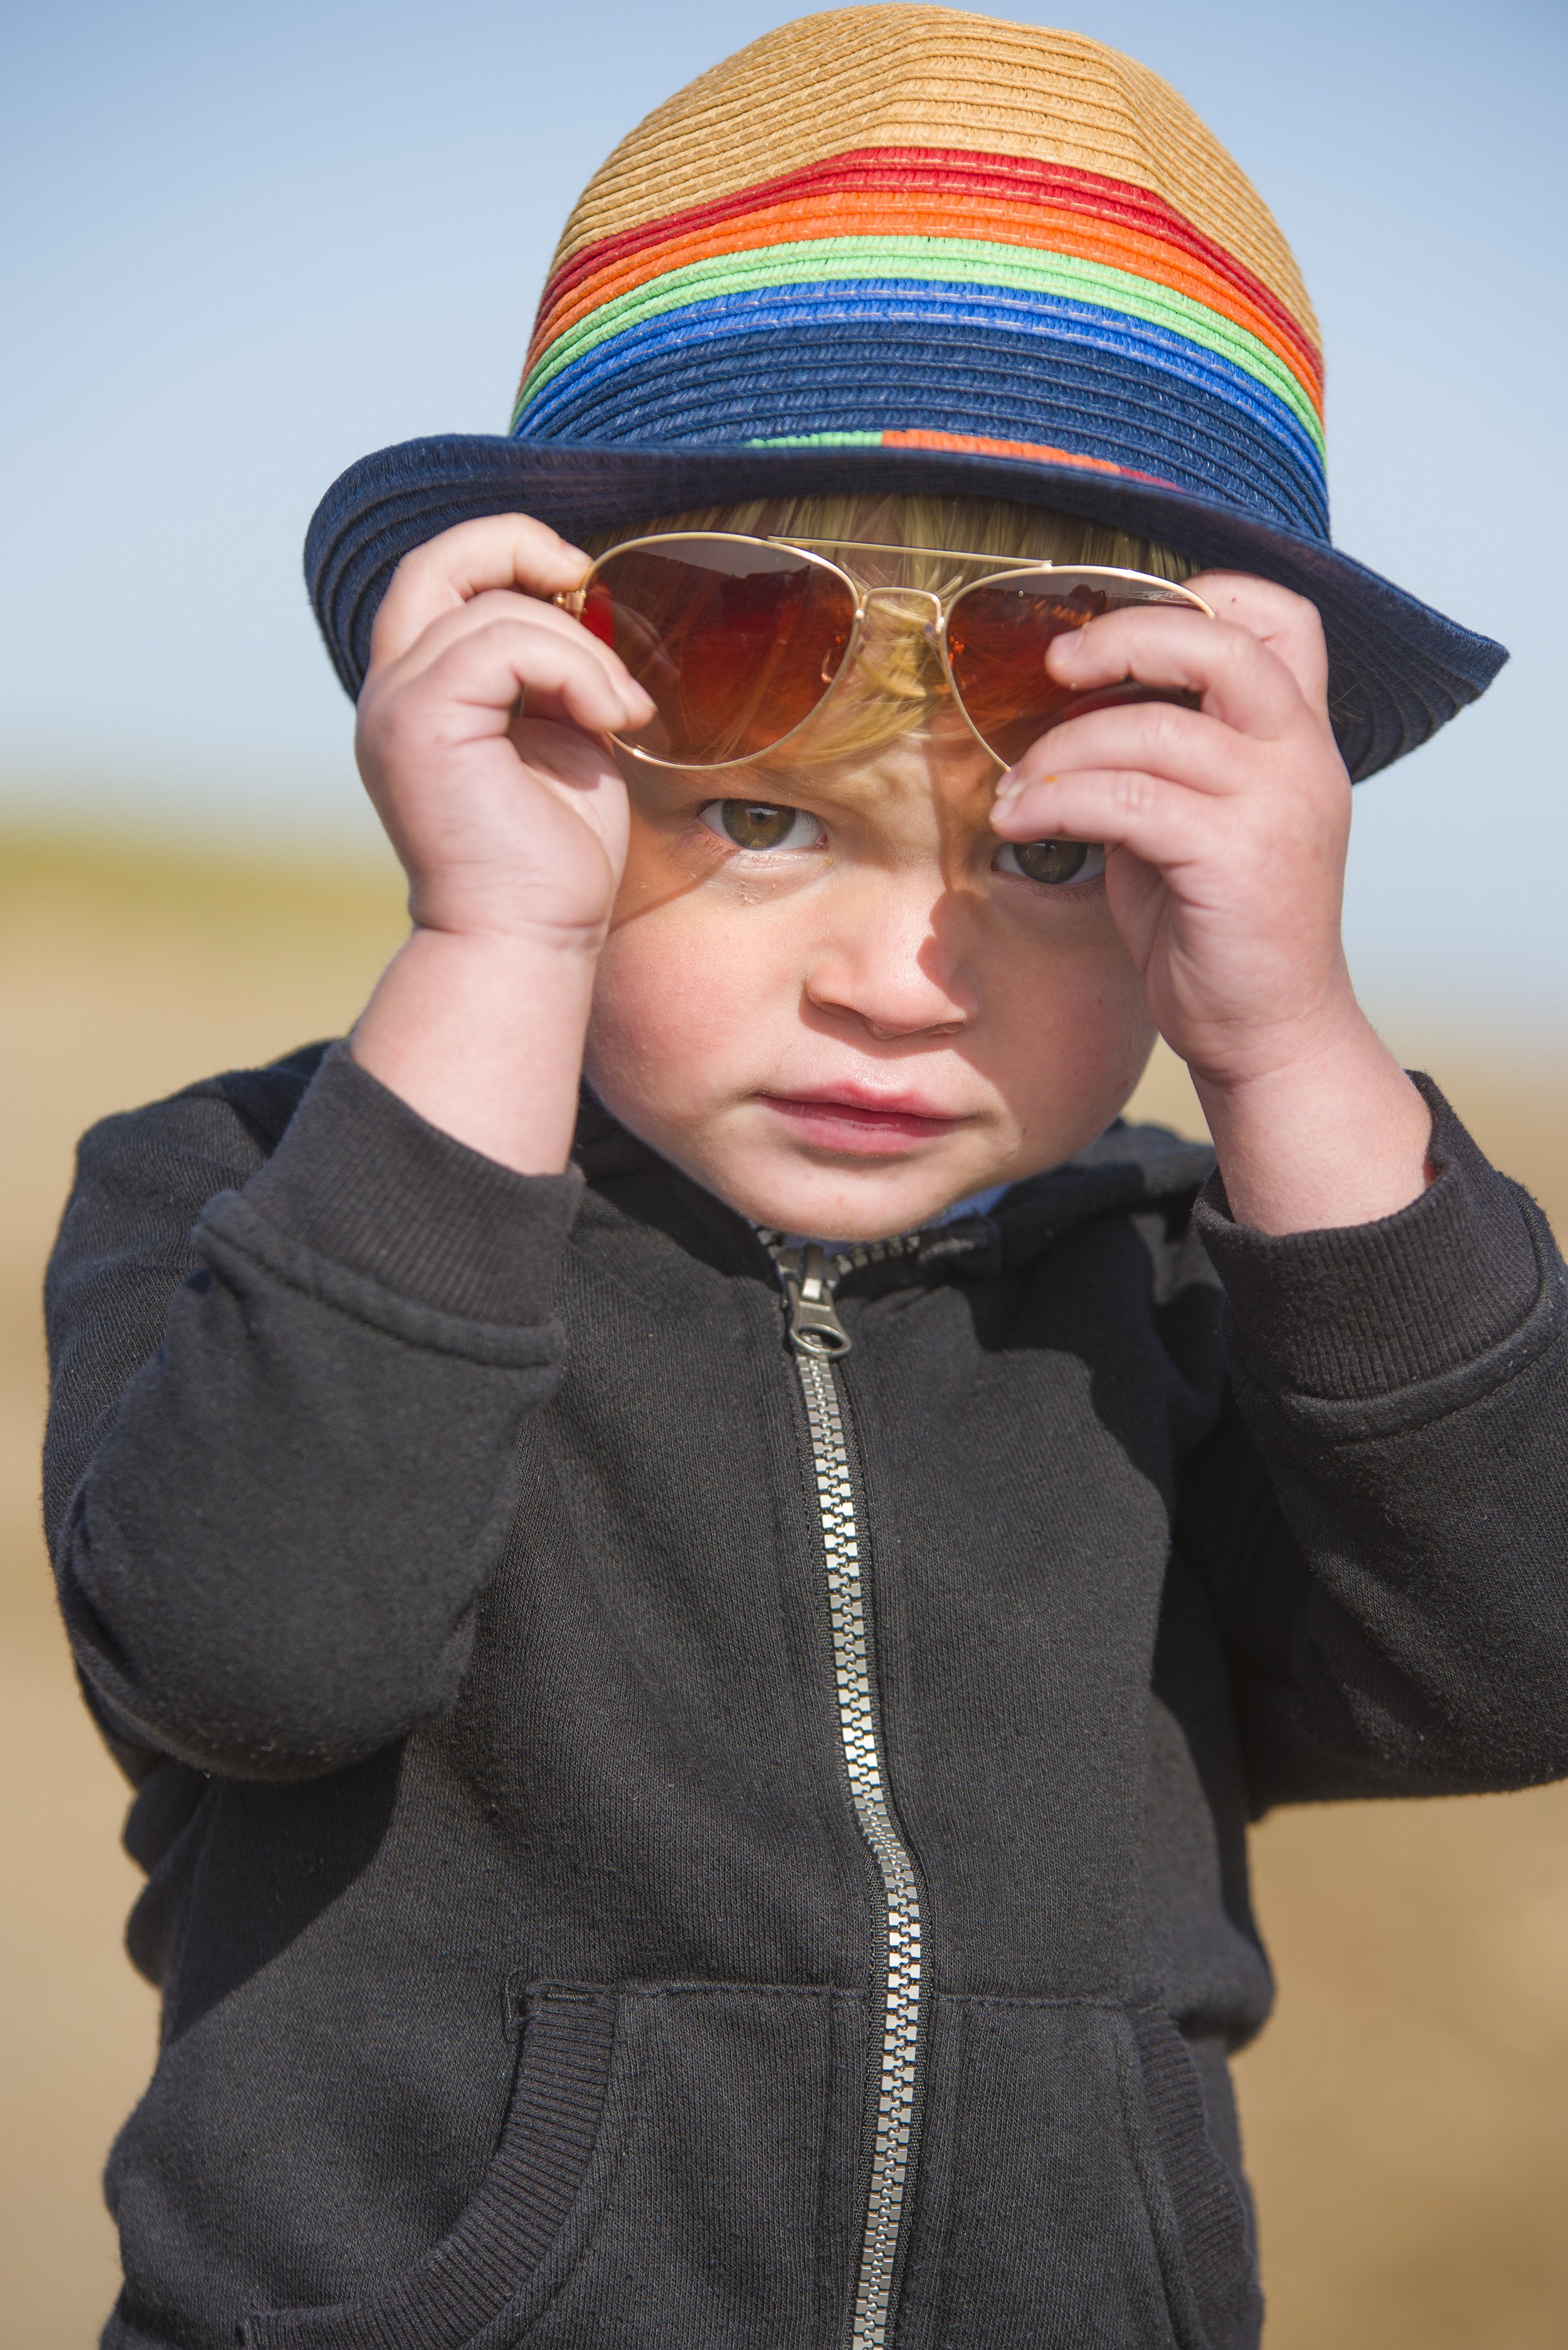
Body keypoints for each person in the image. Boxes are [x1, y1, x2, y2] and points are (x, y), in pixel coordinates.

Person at [44, 11, 1568, 2348]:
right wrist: (495, 950)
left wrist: (1290, 1042)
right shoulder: (261, 1195)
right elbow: (263, 1652)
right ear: (544, 745)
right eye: (758, 817)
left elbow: (1512, 1656)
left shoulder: (1180, 1299)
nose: (896, 975)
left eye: (1053, 855)